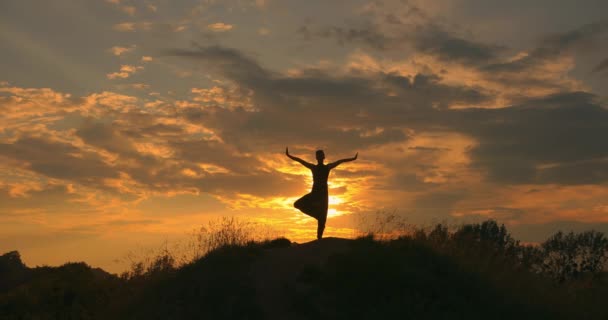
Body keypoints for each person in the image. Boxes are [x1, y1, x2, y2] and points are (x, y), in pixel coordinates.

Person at [285, 147, 358, 239]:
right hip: (315, 193)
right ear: (317, 158)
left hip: (323, 195)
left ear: (323, 157)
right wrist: (289, 156)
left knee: (322, 221)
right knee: (297, 204)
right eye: (319, 155)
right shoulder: (314, 167)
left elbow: (340, 161)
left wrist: (352, 158)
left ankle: (319, 238)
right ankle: (317, 215)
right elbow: (300, 160)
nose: (320, 157)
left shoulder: (327, 167)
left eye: (321, 155)